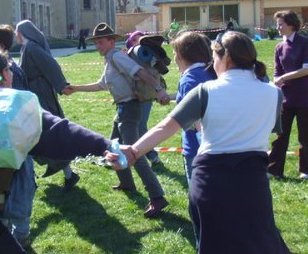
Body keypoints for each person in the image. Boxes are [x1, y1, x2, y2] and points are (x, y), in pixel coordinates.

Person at [109, 31, 290, 253]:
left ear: (225, 58)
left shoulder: (205, 91)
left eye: (213, 58)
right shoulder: (274, 93)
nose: (211, 63)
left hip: (212, 182)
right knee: (260, 242)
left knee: (215, 244)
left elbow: (166, 126)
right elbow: (272, 129)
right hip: (253, 183)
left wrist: (134, 151)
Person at [0, 48, 117, 253]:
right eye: (10, 70)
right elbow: (54, 129)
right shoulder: (4, 103)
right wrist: (104, 145)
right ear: (4, 73)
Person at [69, 23, 170, 218]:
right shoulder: (110, 60)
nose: (98, 46)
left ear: (111, 41)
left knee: (135, 153)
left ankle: (157, 197)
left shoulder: (117, 56)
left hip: (130, 109)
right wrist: (75, 88)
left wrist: (159, 90)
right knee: (114, 147)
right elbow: (101, 85)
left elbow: (141, 73)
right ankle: (127, 183)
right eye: (96, 42)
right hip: (122, 110)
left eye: (101, 42)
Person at [0, 24, 33, 247]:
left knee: (19, 190)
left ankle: (19, 237)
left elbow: (16, 102)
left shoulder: (8, 71)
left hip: (15, 145)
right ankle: (9, 235)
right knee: (6, 191)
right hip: (2, 145)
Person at [15, 20, 79, 190]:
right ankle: (68, 174)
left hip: (41, 94)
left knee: (47, 130)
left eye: (17, 32)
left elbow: (51, 65)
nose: (16, 35)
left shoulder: (32, 48)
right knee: (42, 132)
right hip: (34, 93)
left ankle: (64, 171)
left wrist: (61, 85)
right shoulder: (26, 48)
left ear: (23, 33)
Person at [268, 10, 308, 179]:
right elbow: (276, 71)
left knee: (305, 135)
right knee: (281, 135)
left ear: (291, 25)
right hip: (286, 99)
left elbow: (307, 69)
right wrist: (277, 79)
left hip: (304, 98)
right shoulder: (279, 47)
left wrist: (283, 78)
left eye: (281, 24)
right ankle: (274, 170)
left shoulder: (305, 42)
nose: (278, 27)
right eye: (277, 24)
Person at [171, 30, 216, 183]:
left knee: (199, 201)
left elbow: (197, 121)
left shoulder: (189, 80)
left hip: (198, 150)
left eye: (175, 53)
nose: (174, 58)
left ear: (184, 55)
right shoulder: (210, 72)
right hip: (220, 145)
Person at [124, 30, 161, 165]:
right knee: (124, 126)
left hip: (145, 95)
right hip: (129, 96)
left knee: (140, 125)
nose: (138, 44)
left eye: (141, 41)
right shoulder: (125, 56)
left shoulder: (150, 56)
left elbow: (156, 73)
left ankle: (152, 156)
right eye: (135, 40)